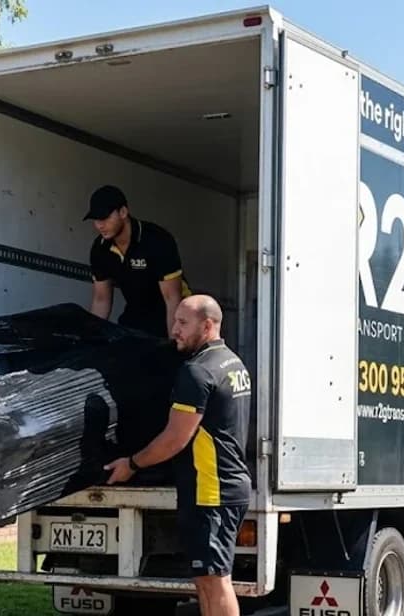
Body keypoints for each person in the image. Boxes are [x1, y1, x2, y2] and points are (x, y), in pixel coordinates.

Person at [102, 295, 252, 616]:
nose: (175, 330)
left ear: (208, 325)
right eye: (175, 321)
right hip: (223, 486)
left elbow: (175, 439)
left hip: (211, 492)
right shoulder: (232, 362)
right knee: (205, 579)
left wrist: (131, 464)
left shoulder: (197, 372)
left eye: (183, 323)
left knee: (215, 580)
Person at [85, 184, 189, 338]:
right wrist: (89, 340)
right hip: (137, 313)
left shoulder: (157, 240)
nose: (99, 224)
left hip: (175, 312)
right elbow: (101, 299)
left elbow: (172, 297)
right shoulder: (100, 249)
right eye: (95, 219)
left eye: (105, 217)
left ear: (123, 212)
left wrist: (173, 345)